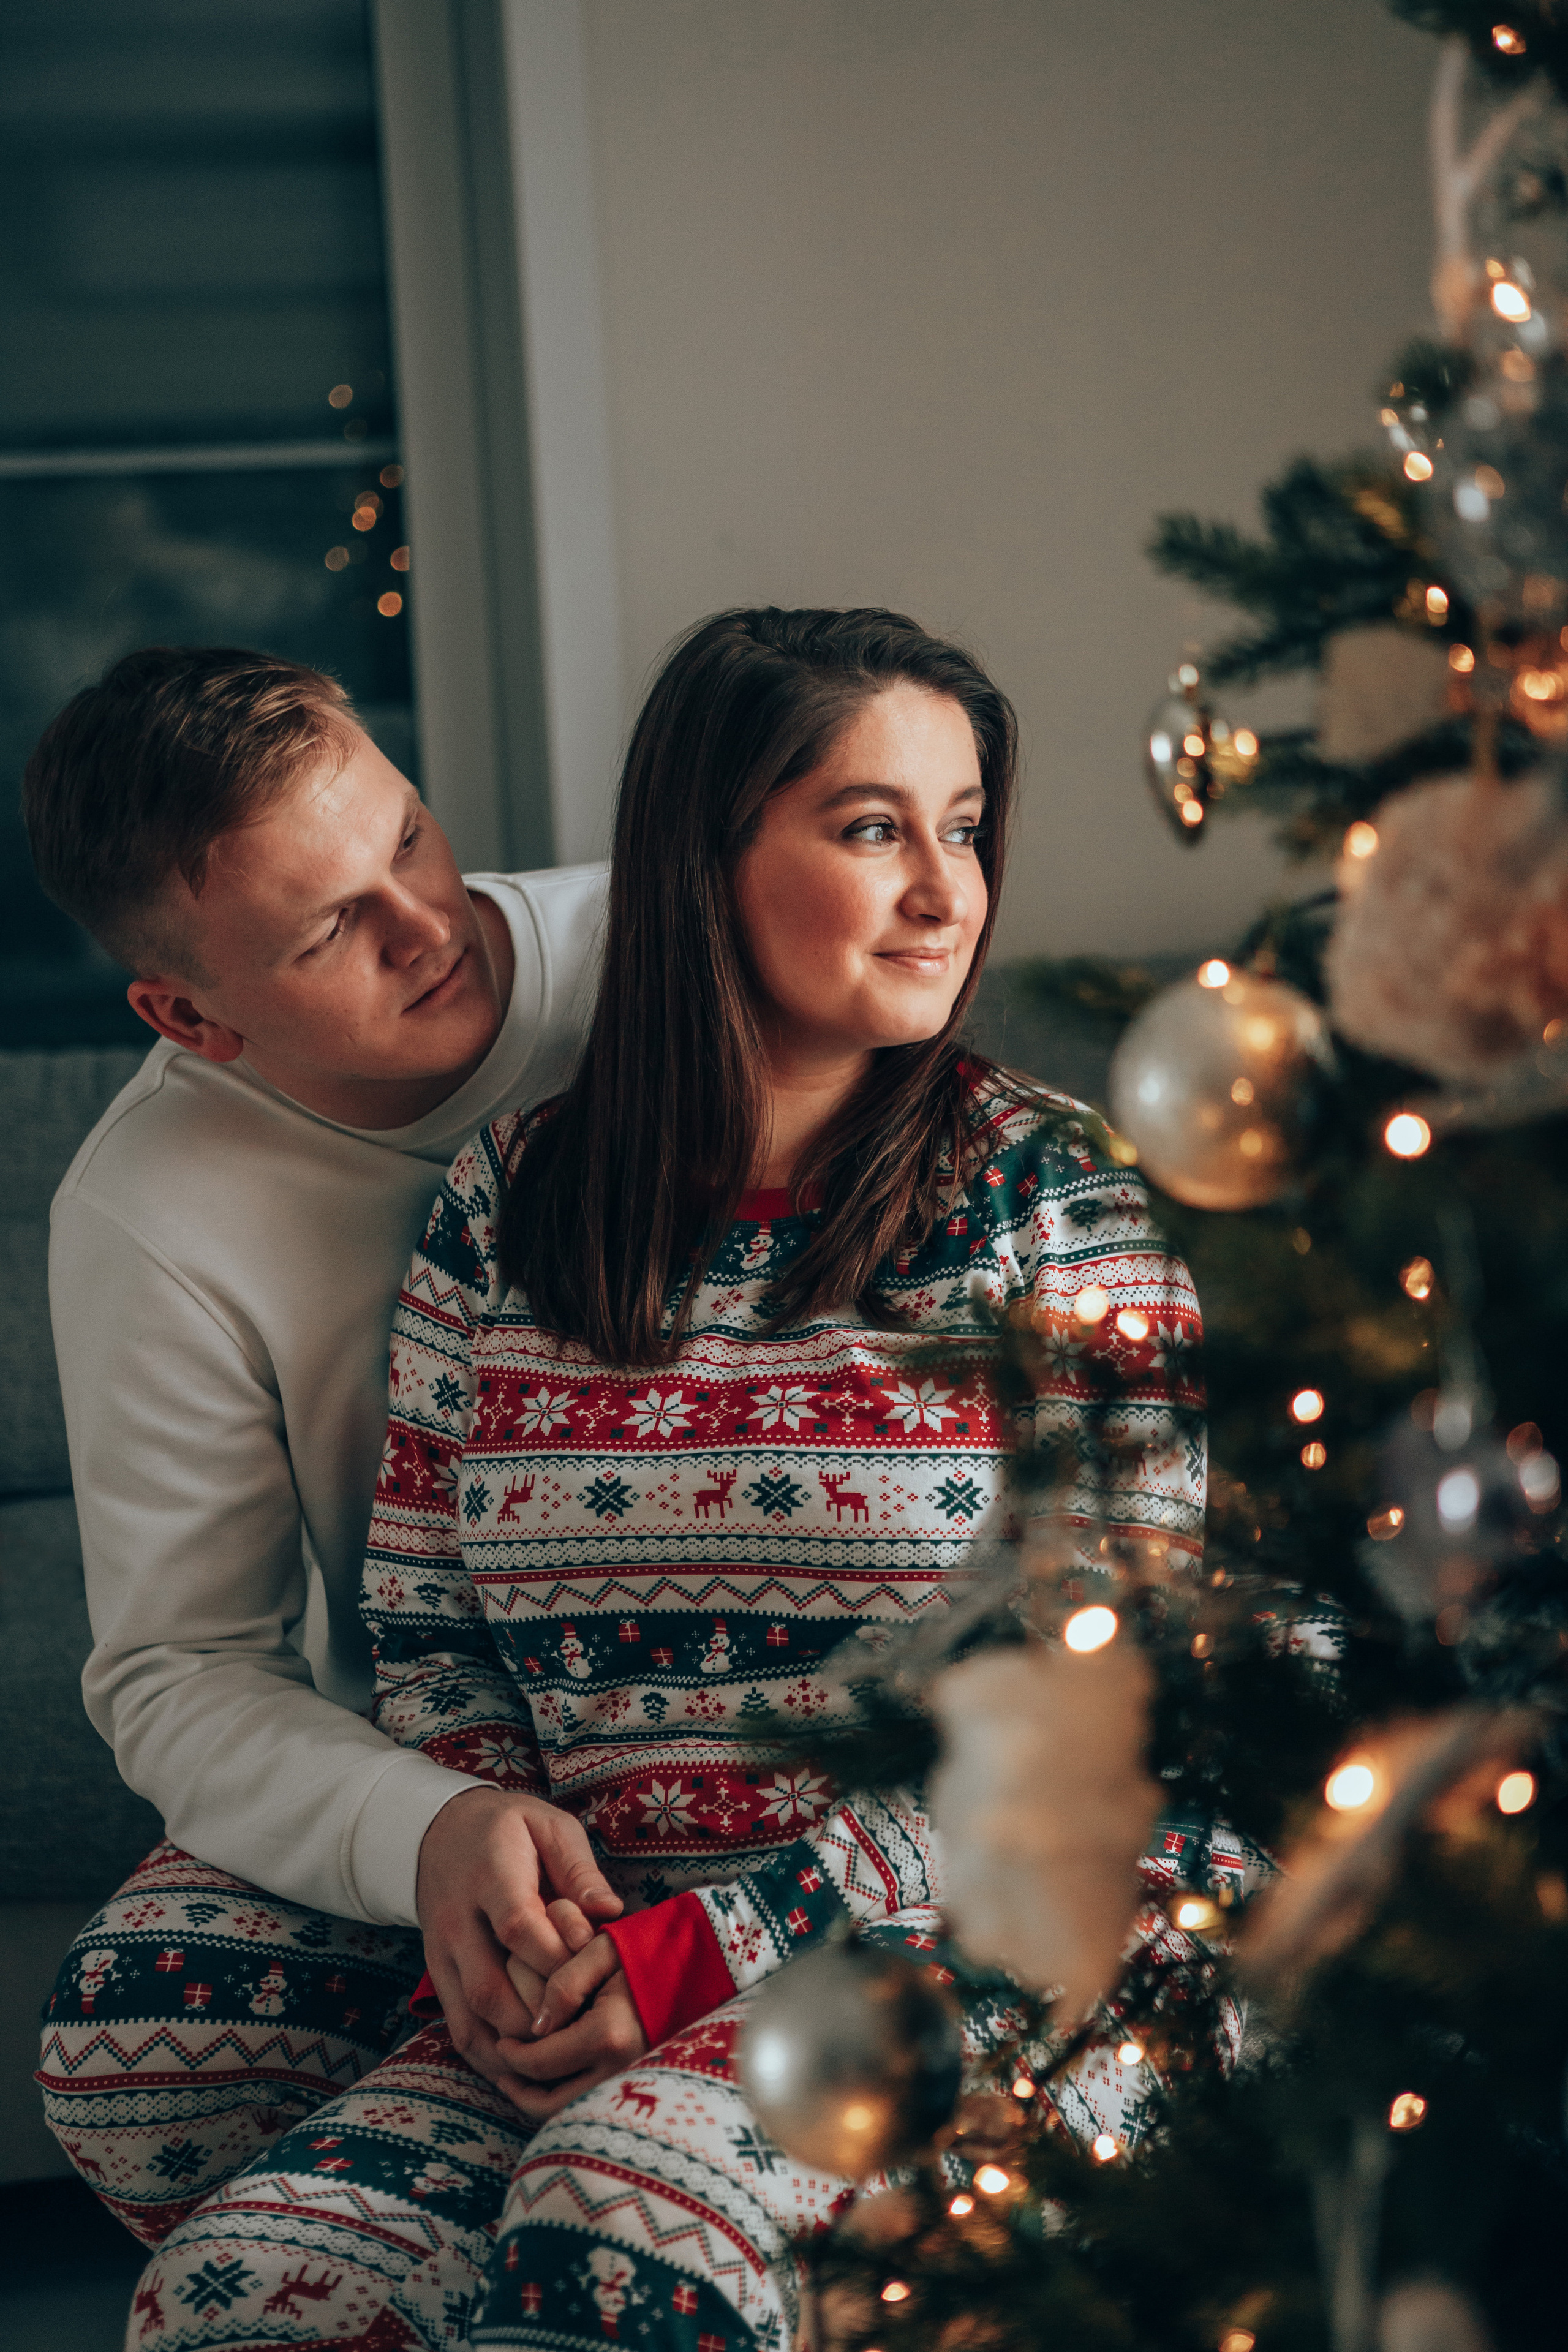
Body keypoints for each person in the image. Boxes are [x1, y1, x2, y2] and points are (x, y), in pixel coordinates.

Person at [138, 608, 1212, 2352]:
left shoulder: (1051, 1193)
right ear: (703, 863)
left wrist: (727, 1946)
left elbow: (1119, 1703)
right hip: (612, 1951)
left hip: (991, 1937)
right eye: (873, 828)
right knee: (235, 2294)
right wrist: (524, 1928)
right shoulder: (511, 1197)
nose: (947, 893)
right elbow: (430, 1634)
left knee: (624, 2221)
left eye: (964, 828)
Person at [26, 647, 622, 2245]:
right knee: (128, 2047)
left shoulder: (662, 950)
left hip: (776, 1682)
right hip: (429, 1755)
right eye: (328, 927)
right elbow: (176, 1671)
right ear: (189, 1015)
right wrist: (418, 1830)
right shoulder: (146, 1214)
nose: (427, 925)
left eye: (409, 839)